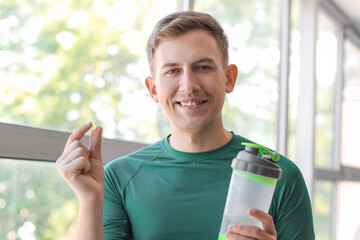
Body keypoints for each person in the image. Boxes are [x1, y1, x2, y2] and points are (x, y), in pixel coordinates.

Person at [56, 11, 315, 240]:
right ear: (153, 89)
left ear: (229, 78)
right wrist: (90, 201)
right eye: (172, 71)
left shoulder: (280, 176)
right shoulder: (117, 179)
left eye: (203, 67)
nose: (189, 85)